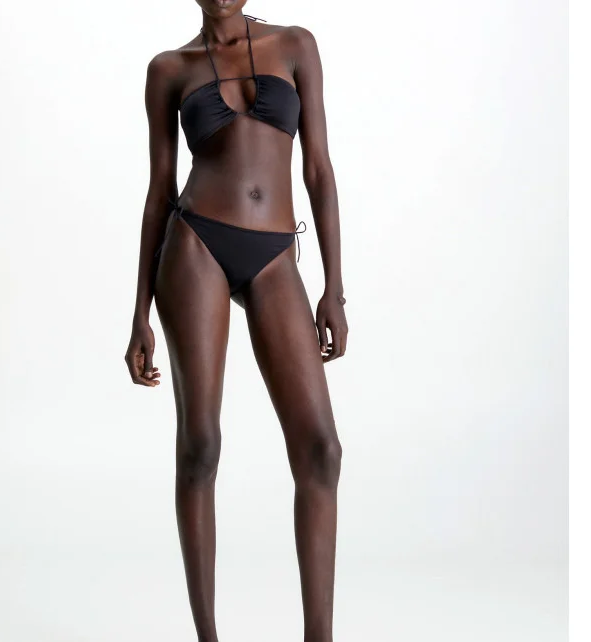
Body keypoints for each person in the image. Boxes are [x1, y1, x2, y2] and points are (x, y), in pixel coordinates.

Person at [125, 3, 347, 641]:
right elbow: (159, 189)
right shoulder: (169, 69)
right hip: (196, 243)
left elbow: (318, 169)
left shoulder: (295, 45)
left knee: (321, 449)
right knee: (201, 445)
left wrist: (333, 287)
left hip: (276, 254)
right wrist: (139, 312)